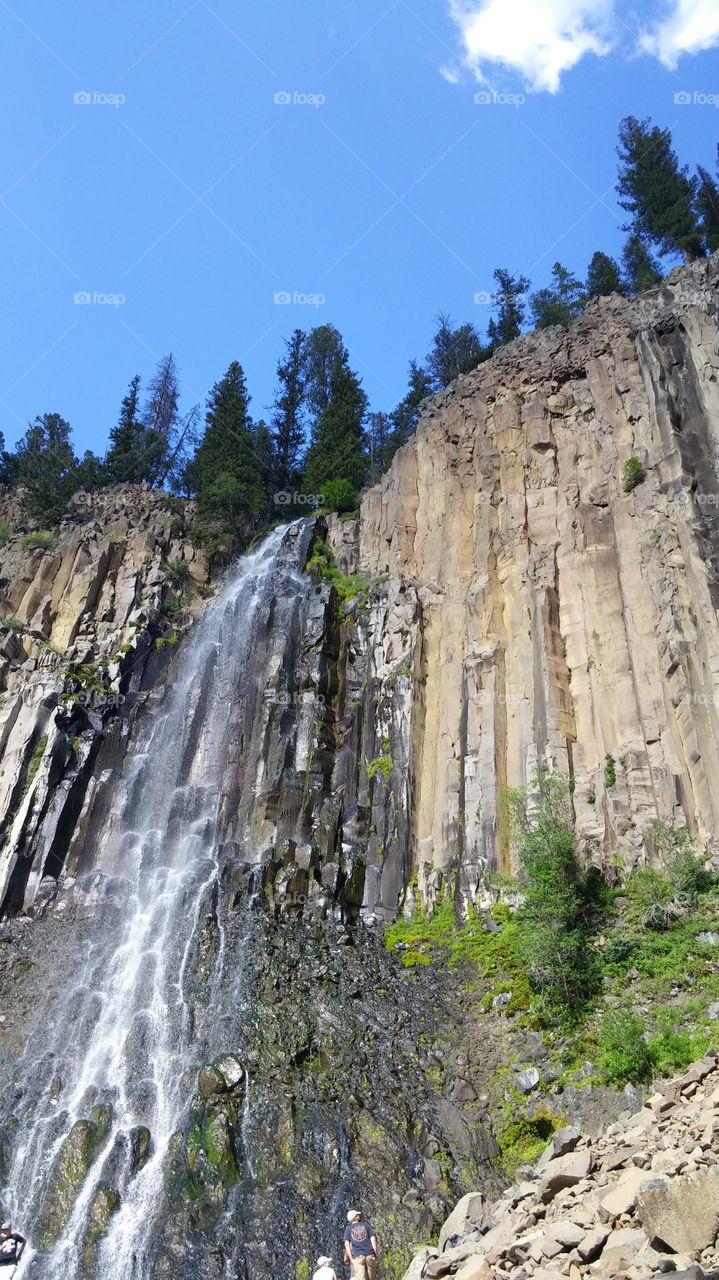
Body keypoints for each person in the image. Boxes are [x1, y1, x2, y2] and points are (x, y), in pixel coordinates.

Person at [343, 1210, 378, 1280]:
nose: (359, 1216)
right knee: (372, 1277)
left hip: (358, 1256)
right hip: (369, 1254)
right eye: (357, 1215)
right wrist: (375, 1252)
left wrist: (351, 1258)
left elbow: (346, 1244)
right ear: (355, 1217)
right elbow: (373, 1239)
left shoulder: (348, 1230)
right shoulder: (366, 1225)